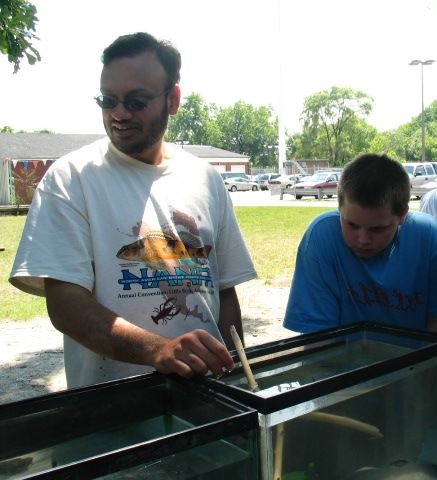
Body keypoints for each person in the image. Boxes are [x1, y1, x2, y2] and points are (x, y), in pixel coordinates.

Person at [9, 32, 257, 389]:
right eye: (108, 100)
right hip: (115, 409)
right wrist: (158, 350)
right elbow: (65, 303)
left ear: (172, 99)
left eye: (136, 102)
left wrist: (234, 374)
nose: (119, 114)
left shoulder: (205, 178)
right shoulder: (71, 178)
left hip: (206, 400)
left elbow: (224, 289)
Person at [283, 152, 437, 335]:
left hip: (414, 360)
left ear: (402, 215)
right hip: (341, 360)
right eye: (352, 225)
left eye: (377, 229)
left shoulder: (428, 237)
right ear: (340, 208)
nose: (363, 239)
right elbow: (318, 335)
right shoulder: (322, 236)